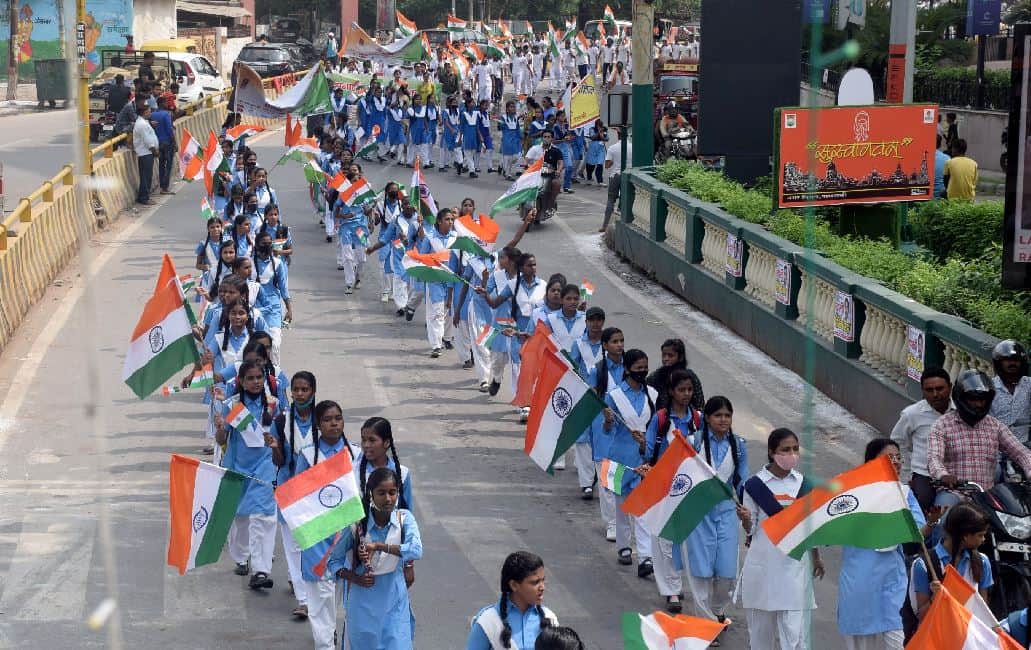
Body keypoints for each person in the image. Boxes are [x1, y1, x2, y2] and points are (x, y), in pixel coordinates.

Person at [736, 428, 824, 650]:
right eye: (785, 449)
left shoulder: (804, 485)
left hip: (795, 570)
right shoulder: (754, 485)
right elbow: (751, 529)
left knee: (796, 638)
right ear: (771, 452)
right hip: (763, 569)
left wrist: (816, 556)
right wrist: (745, 519)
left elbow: (808, 526)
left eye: (795, 449)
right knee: (760, 637)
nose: (791, 454)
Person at [837, 438, 926, 650]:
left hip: (891, 580)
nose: (896, 462)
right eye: (889, 458)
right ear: (871, 462)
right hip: (860, 579)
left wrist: (930, 523)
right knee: (861, 641)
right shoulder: (850, 492)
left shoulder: (904, 493)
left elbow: (917, 530)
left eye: (898, 458)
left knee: (896, 639)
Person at [327, 466, 422, 649]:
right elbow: (333, 561)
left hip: (394, 602)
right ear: (371, 494)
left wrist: (379, 546)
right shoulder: (356, 524)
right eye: (381, 493)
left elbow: (416, 550)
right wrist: (356, 578)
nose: (388, 499)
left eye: (392, 492)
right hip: (363, 605)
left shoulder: (404, 518)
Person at [215, 359, 281, 589]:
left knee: (263, 517)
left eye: (259, 378)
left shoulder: (274, 405)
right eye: (250, 378)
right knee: (241, 517)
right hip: (238, 465)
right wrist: (221, 429)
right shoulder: (232, 405)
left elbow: (280, 435)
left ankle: (261, 570)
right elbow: (222, 440)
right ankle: (241, 557)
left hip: (265, 467)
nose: (255, 382)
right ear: (241, 381)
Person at [641, 370, 702, 614]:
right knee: (664, 539)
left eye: (689, 390)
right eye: (681, 390)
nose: (686, 395)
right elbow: (648, 453)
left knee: (684, 540)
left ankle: (678, 581)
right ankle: (671, 590)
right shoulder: (661, 419)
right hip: (663, 487)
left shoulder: (698, 419)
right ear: (671, 392)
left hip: (690, 489)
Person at [927, 369, 1031, 495]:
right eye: (973, 399)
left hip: (986, 496)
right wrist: (943, 476)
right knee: (945, 511)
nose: (979, 404)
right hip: (954, 493)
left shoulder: (995, 426)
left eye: (983, 400)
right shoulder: (941, 425)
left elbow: (1020, 452)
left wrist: (1029, 470)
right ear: (960, 398)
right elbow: (934, 458)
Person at [600, 348, 656, 577]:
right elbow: (607, 431)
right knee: (623, 506)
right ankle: (624, 546)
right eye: (638, 368)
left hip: (644, 457)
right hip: (621, 456)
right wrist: (607, 420)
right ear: (627, 369)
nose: (642, 372)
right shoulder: (614, 396)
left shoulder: (652, 394)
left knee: (641, 509)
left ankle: (645, 556)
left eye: (645, 367)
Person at [909, 502, 992, 620]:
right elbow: (921, 616)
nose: (983, 540)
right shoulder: (923, 565)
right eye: (980, 535)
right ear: (965, 535)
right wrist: (934, 599)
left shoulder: (982, 562)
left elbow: (983, 611)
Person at [890, 367, 952, 513]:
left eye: (940, 388)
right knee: (920, 506)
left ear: (950, 387)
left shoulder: (961, 412)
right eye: (929, 390)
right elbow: (897, 442)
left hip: (955, 475)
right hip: (925, 475)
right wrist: (906, 473)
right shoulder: (912, 414)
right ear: (923, 391)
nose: (935, 394)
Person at [466, 551, 558, 650]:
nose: (542, 587)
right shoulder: (488, 621)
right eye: (535, 582)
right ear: (514, 585)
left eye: (543, 580)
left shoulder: (550, 618)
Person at [989, 340, 1030, 444]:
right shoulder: (989, 387)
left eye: (1016, 360)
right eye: (1007, 360)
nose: (1012, 363)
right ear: (999, 362)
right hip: (996, 445)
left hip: (1025, 445)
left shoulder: (1029, 385)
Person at [646, 338, 704, 411]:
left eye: (670, 355)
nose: (665, 359)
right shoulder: (656, 377)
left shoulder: (690, 376)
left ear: (681, 357)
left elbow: (699, 404)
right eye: (664, 355)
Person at [601, 135, 632, 232]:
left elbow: (607, 165)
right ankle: (626, 223)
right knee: (627, 199)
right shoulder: (633, 147)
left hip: (615, 176)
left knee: (611, 200)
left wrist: (613, 160)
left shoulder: (612, 148)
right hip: (629, 176)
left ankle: (605, 225)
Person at [132, 103, 158, 205]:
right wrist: (154, 150)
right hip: (145, 153)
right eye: (148, 112)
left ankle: (143, 196)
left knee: (147, 175)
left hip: (147, 153)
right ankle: (144, 198)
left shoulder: (144, 122)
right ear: (144, 112)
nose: (150, 113)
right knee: (146, 176)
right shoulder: (141, 124)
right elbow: (147, 139)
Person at [152, 97, 175, 195]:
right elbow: (170, 130)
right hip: (167, 143)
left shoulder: (152, 115)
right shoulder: (166, 114)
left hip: (157, 143)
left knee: (161, 164)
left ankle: (162, 186)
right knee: (168, 165)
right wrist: (175, 142)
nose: (167, 104)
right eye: (165, 102)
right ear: (161, 103)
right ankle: (164, 188)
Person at [933, 134, 950, 199]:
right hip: (941, 197)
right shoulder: (947, 158)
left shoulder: (919, 158)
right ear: (940, 145)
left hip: (922, 197)